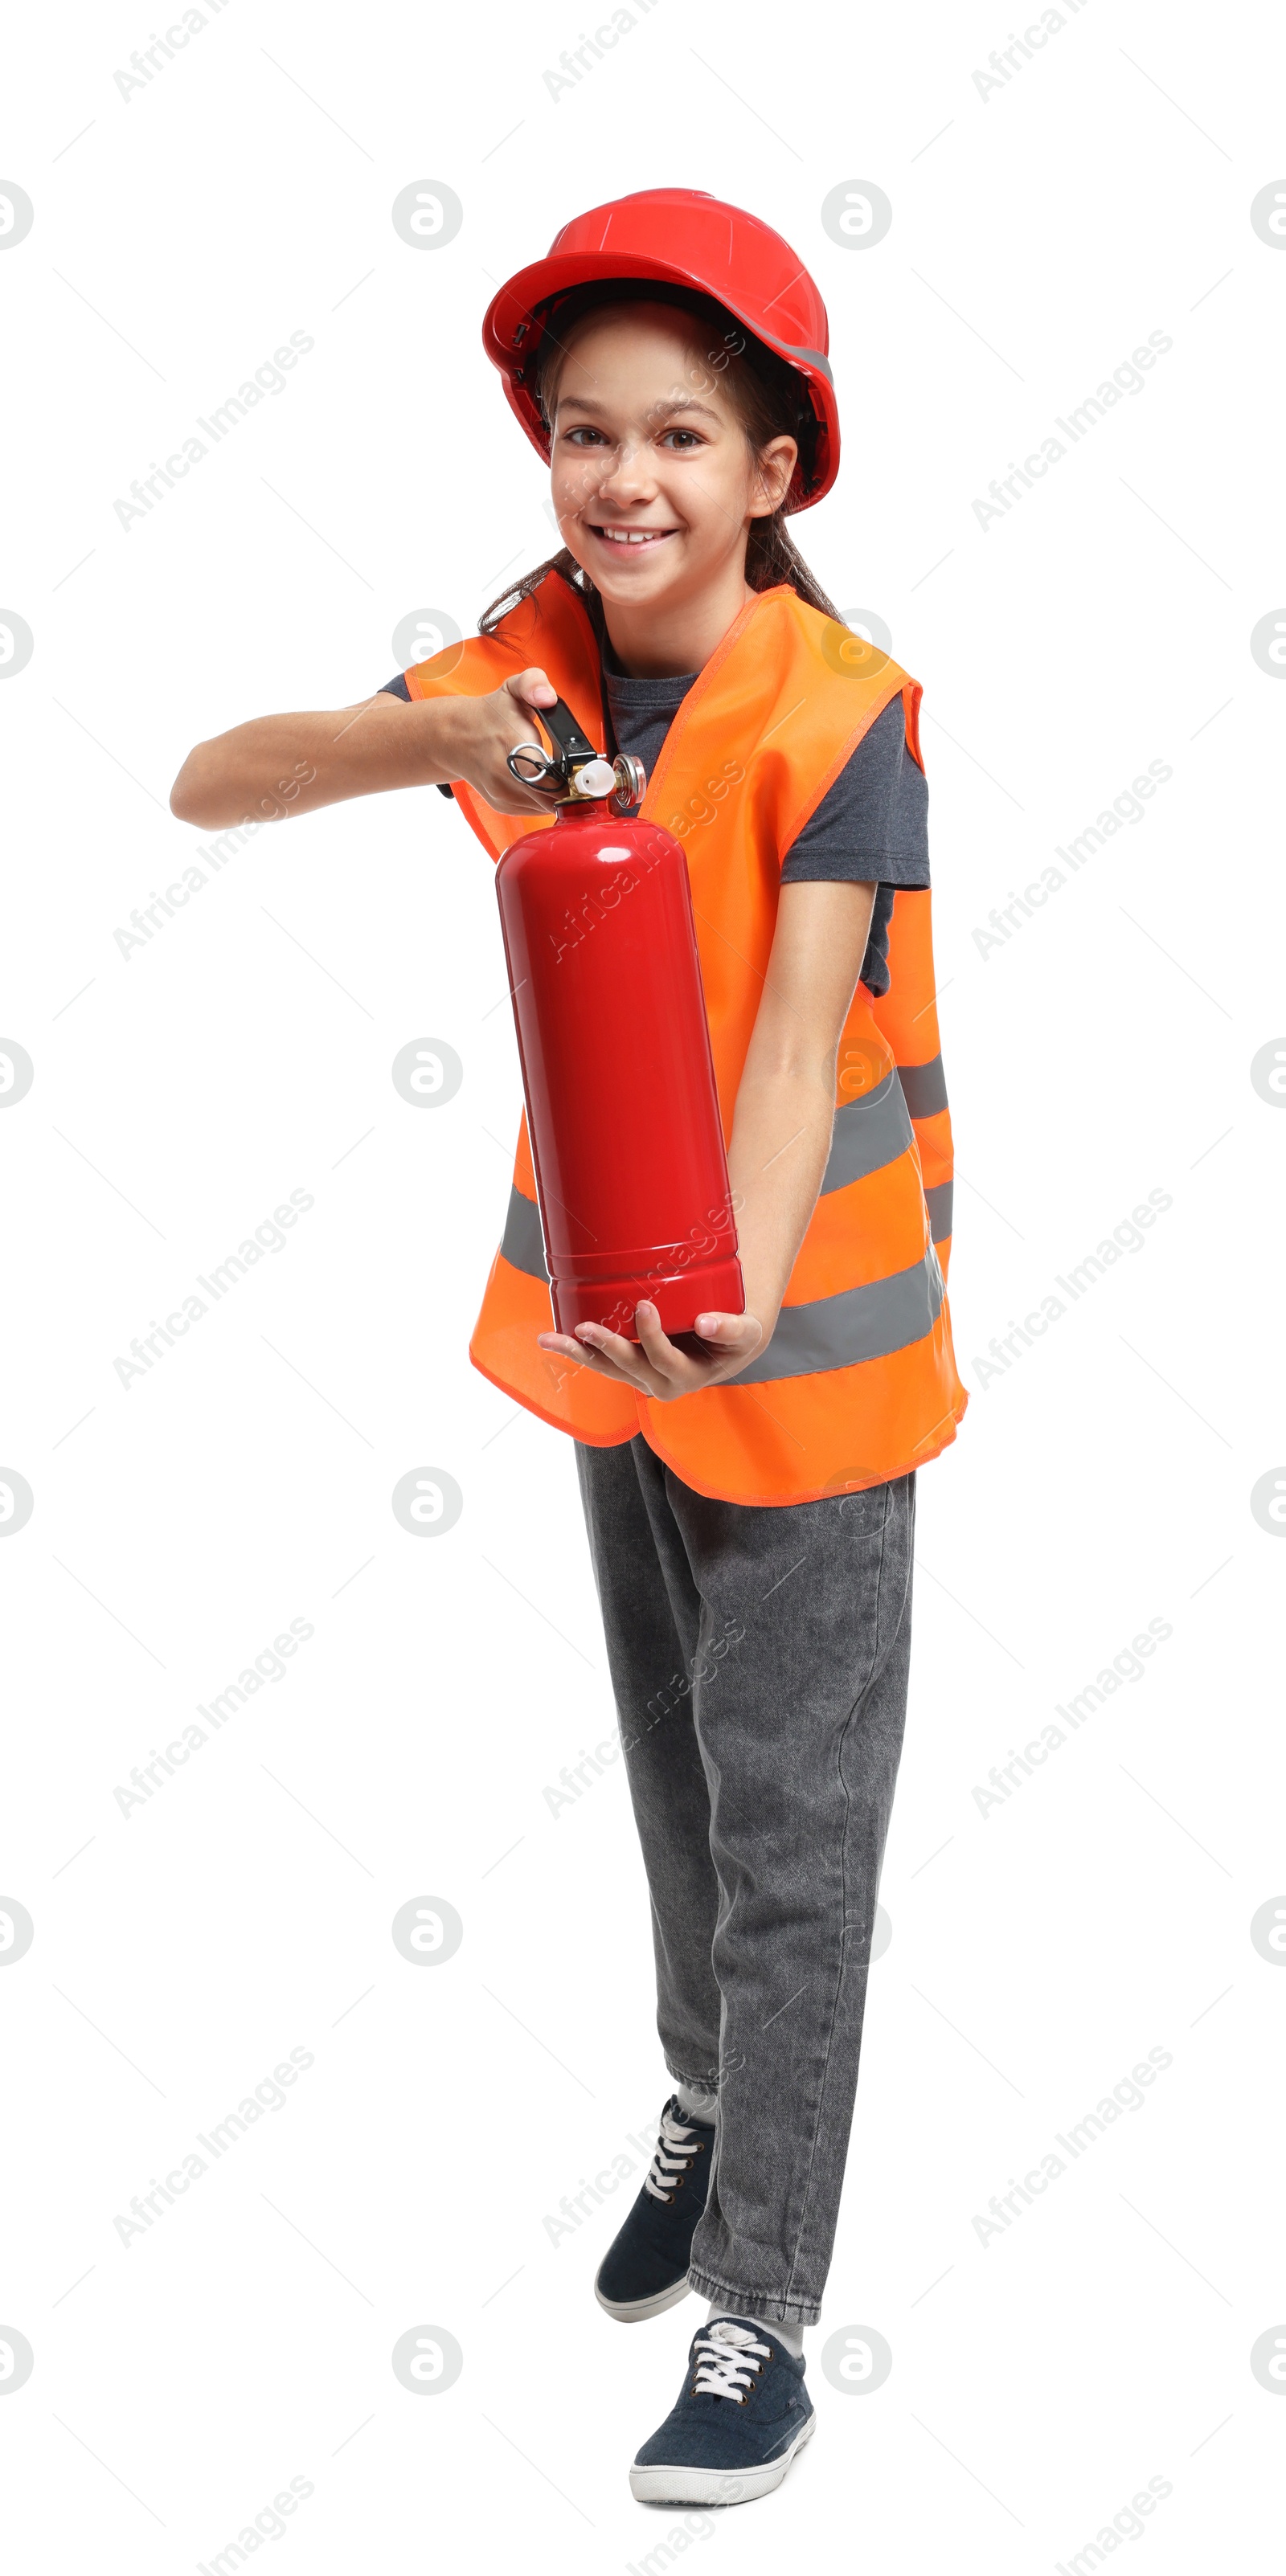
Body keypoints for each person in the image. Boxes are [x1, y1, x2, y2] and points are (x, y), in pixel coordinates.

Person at [170, 187, 967, 2510]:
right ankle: (703, 2106)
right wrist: (433, 735)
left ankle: (765, 2317)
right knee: (673, 1781)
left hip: (799, 1345)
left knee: (797, 1837)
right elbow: (213, 781)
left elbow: (803, 1032)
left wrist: (725, 1279)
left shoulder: (844, 715)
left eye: (685, 439)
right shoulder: (529, 663)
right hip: (620, 1325)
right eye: (589, 436)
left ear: (776, 473)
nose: (628, 482)